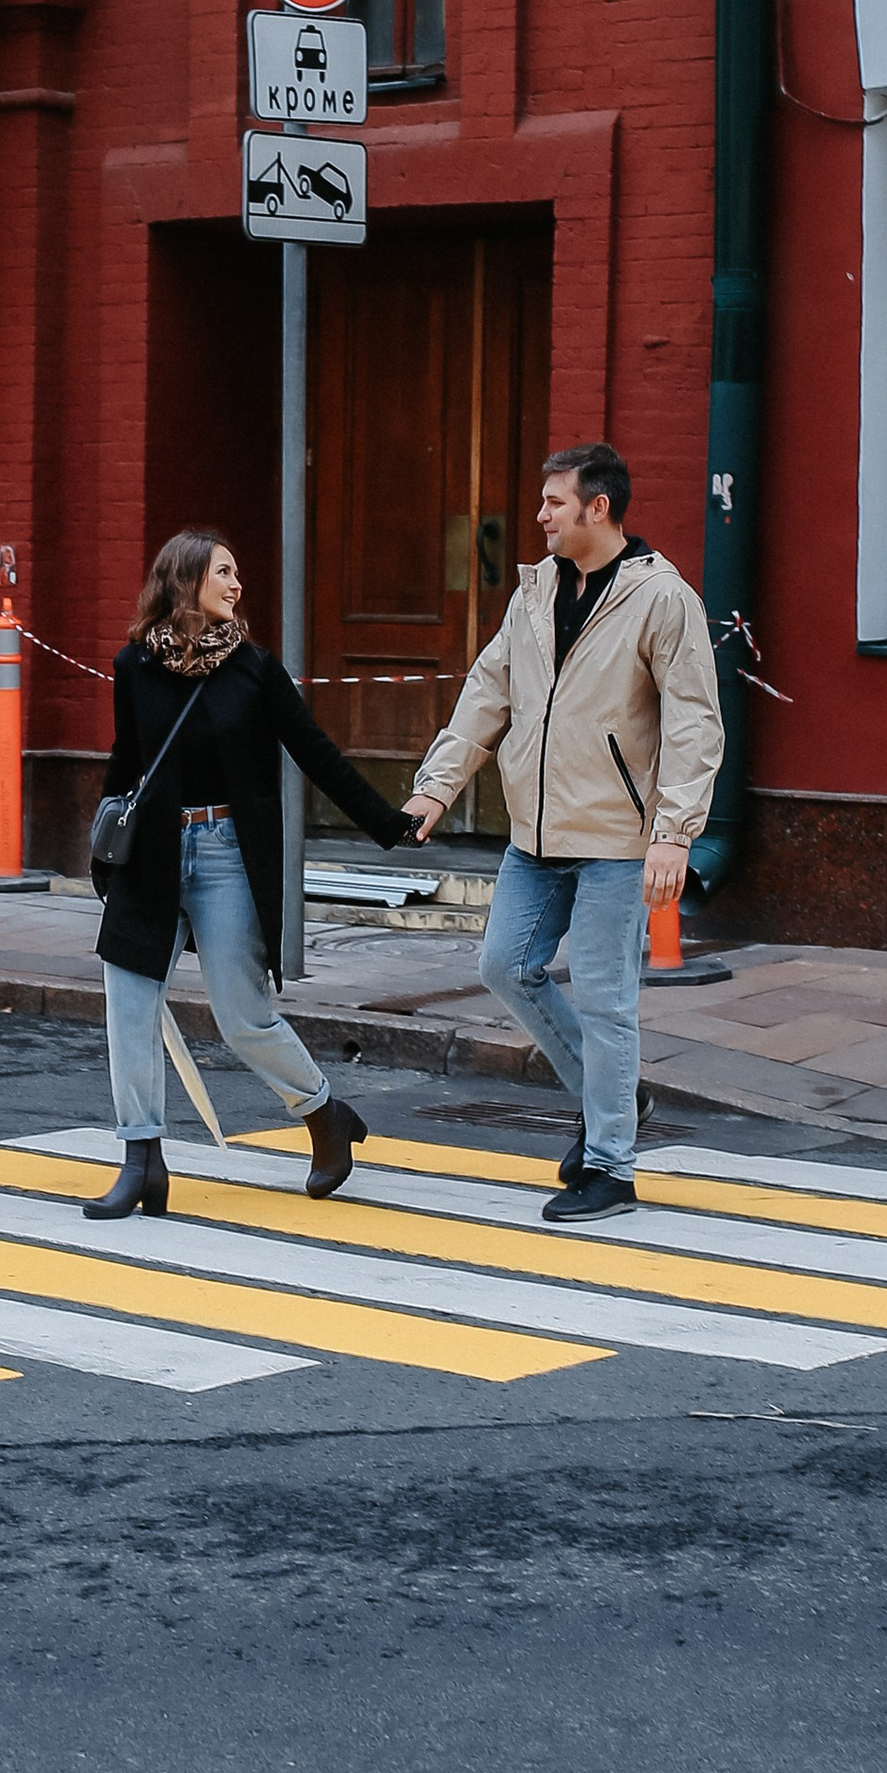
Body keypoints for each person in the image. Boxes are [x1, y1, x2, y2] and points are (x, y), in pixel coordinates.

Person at [404, 442, 723, 1225]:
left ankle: (611, 1168)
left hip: (618, 841)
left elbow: (693, 722)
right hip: (535, 838)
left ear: (597, 508)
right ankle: (615, 1098)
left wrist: (674, 833)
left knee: (608, 1003)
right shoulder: (535, 592)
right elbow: (488, 691)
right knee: (504, 966)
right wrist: (436, 787)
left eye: (555, 502)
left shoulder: (661, 599)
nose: (541, 515)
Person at [87, 526, 413, 1221]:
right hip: (150, 856)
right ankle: (141, 1159)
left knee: (242, 1016)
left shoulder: (254, 671)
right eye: (224, 573)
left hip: (226, 853)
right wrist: (103, 851)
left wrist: (388, 824)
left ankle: (323, 1113)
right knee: (129, 1005)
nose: (238, 585)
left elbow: (316, 753)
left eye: (236, 574)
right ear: (185, 581)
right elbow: (126, 761)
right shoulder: (134, 665)